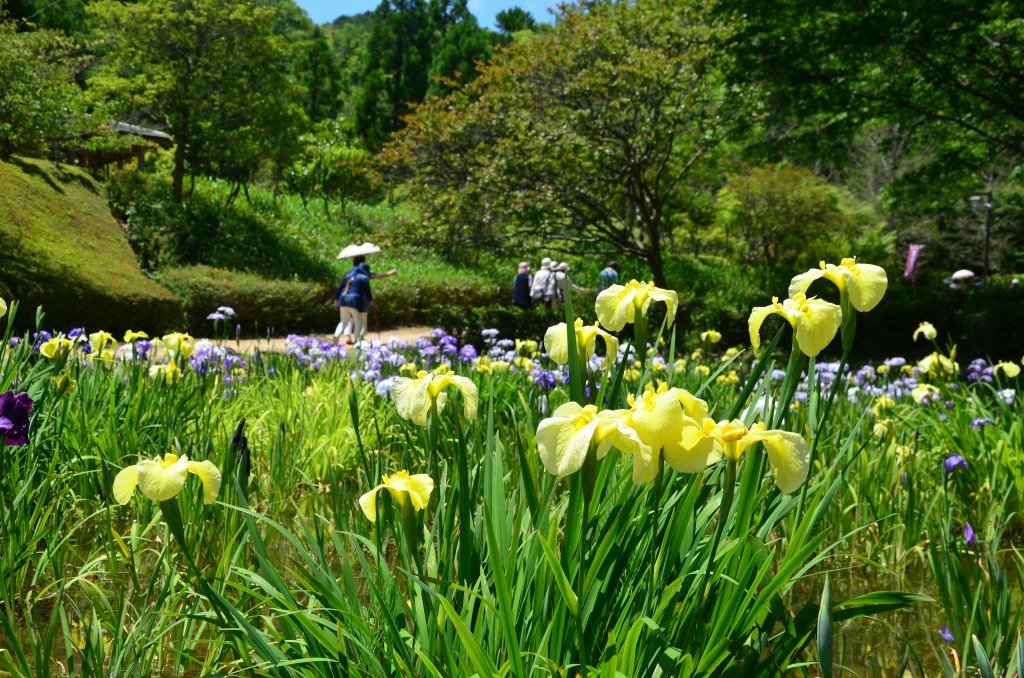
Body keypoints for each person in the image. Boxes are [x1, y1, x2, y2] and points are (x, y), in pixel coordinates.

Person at [334, 255, 396, 344]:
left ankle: (337, 335)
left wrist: (336, 300)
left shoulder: (348, 275)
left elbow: (340, 288)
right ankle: (358, 341)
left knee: (344, 321)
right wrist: (372, 301)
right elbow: (367, 291)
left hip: (343, 300)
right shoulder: (364, 277)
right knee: (359, 322)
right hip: (356, 300)